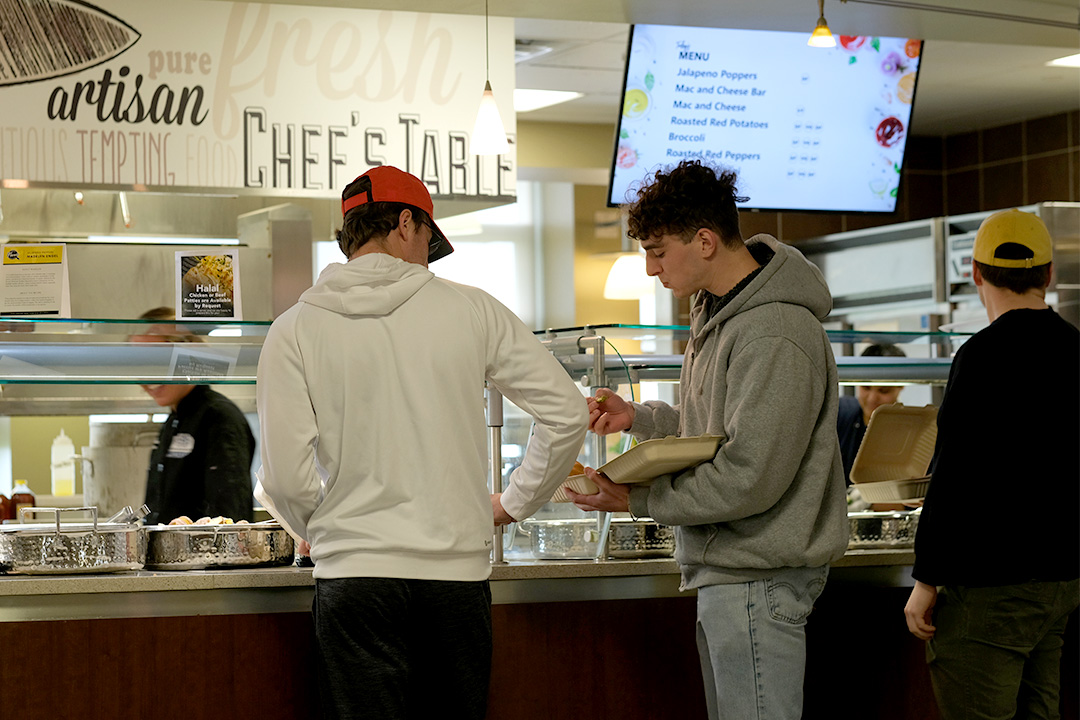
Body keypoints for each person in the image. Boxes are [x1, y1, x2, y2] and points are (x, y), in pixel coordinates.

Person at [253, 165, 588, 720]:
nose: (428, 257)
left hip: (355, 582)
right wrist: (512, 503)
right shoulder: (472, 309)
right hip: (454, 579)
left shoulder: (293, 329)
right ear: (406, 223)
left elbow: (285, 478)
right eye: (430, 242)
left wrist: (322, 529)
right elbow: (567, 413)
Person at [566, 159, 848, 720]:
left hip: (757, 574)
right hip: (732, 571)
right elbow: (713, 432)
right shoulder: (718, 313)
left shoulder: (774, 330)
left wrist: (637, 500)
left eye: (658, 250)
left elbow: (748, 473)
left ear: (704, 241)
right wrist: (638, 418)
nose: (650, 269)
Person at [903, 209, 1079, 718]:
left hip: (990, 589)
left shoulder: (980, 357)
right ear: (1047, 275)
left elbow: (957, 476)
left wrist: (926, 580)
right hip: (1061, 581)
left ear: (975, 273)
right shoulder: (1075, 348)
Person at [131, 307, 255, 524]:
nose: (146, 375)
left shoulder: (219, 418)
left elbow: (230, 523)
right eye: (137, 363)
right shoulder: (173, 420)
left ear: (187, 355)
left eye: (157, 359)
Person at [836, 343, 907, 485]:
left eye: (883, 391)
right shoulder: (840, 414)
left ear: (901, 386)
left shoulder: (911, 429)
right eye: (866, 387)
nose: (872, 398)